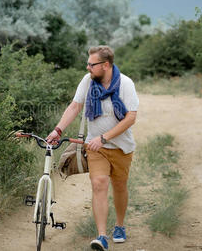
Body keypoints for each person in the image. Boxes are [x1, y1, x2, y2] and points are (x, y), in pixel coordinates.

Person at [47, 45, 139, 251]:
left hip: (121, 146)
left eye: (91, 64)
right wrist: (58, 130)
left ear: (105, 65)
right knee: (99, 184)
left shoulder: (126, 84)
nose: (87, 67)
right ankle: (102, 236)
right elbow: (75, 106)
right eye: (87, 63)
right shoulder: (87, 81)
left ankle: (120, 226)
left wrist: (105, 138)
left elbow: (131, 117)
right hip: (95, 146)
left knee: (120, 186)